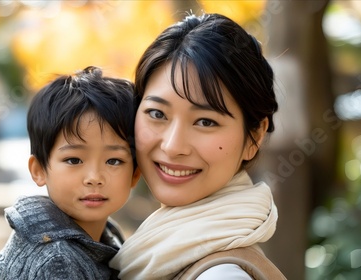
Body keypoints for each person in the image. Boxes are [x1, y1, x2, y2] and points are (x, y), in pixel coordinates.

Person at [109, 13, 286, 279]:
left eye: (205, 121)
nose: (172, 146)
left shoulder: (221, 274)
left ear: (255, 136)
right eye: (157, 114)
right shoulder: (154, 249)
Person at [0, 66, 141, 280]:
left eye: (113, 161)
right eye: (74, 160)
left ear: (135, 174)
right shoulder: (57, 262)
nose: (94, 178)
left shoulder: (105, 236)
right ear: (39, 170)